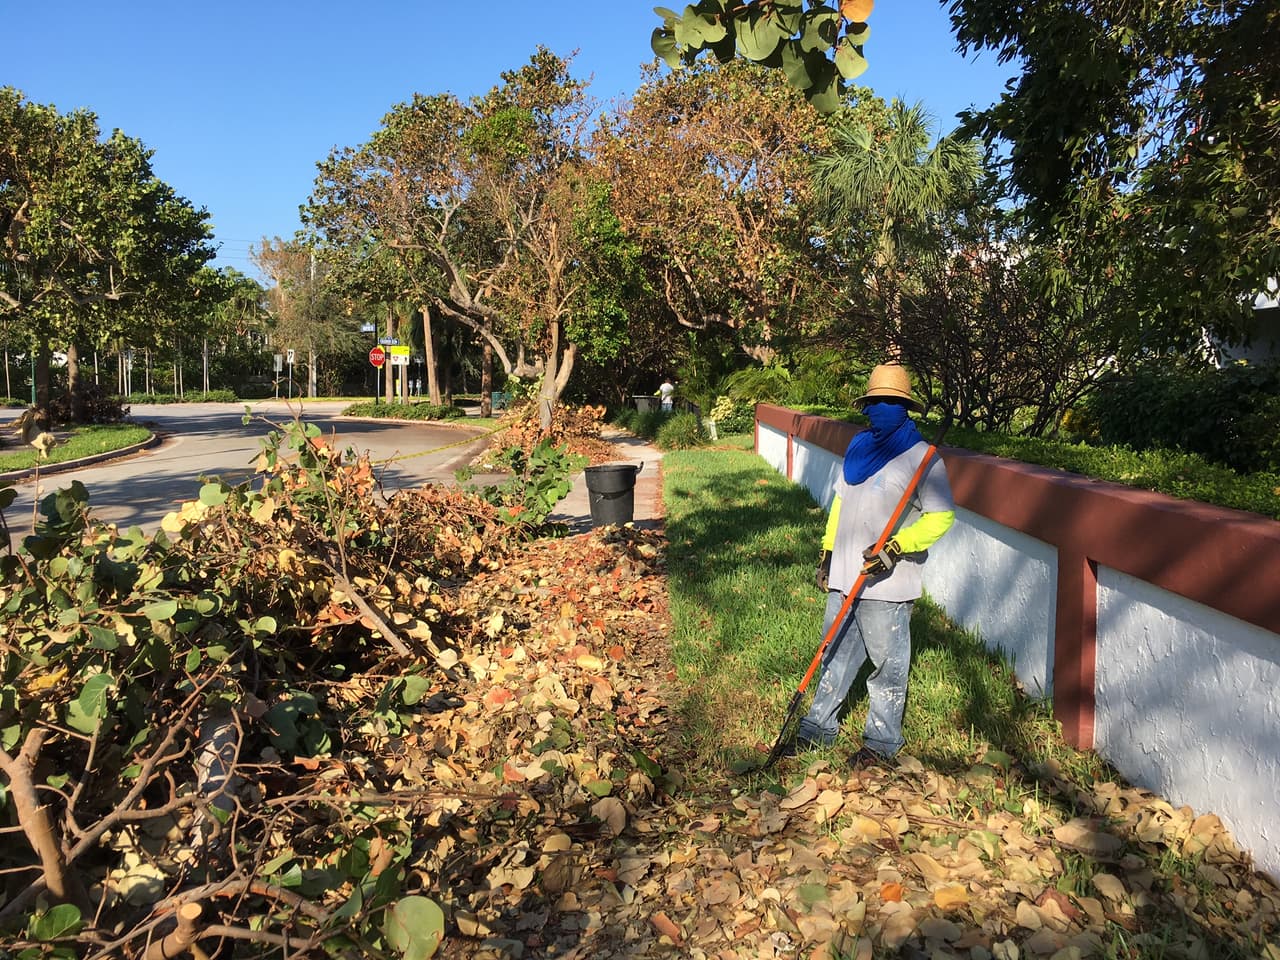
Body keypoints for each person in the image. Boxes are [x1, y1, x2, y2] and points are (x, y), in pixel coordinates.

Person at [793, 363, 955, 768]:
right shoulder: (858, 448)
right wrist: (828, 553)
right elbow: (840, 505)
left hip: (888, 582)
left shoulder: (923, 458)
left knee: (887, 665)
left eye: (891, 402)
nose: (882, 408)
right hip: (845, 576)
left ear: (904, 407)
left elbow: (941, 516)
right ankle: (817, 729)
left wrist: (897, 547)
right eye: (875, 402)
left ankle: (881, 742)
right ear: (866, 406)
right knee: (833, 654)